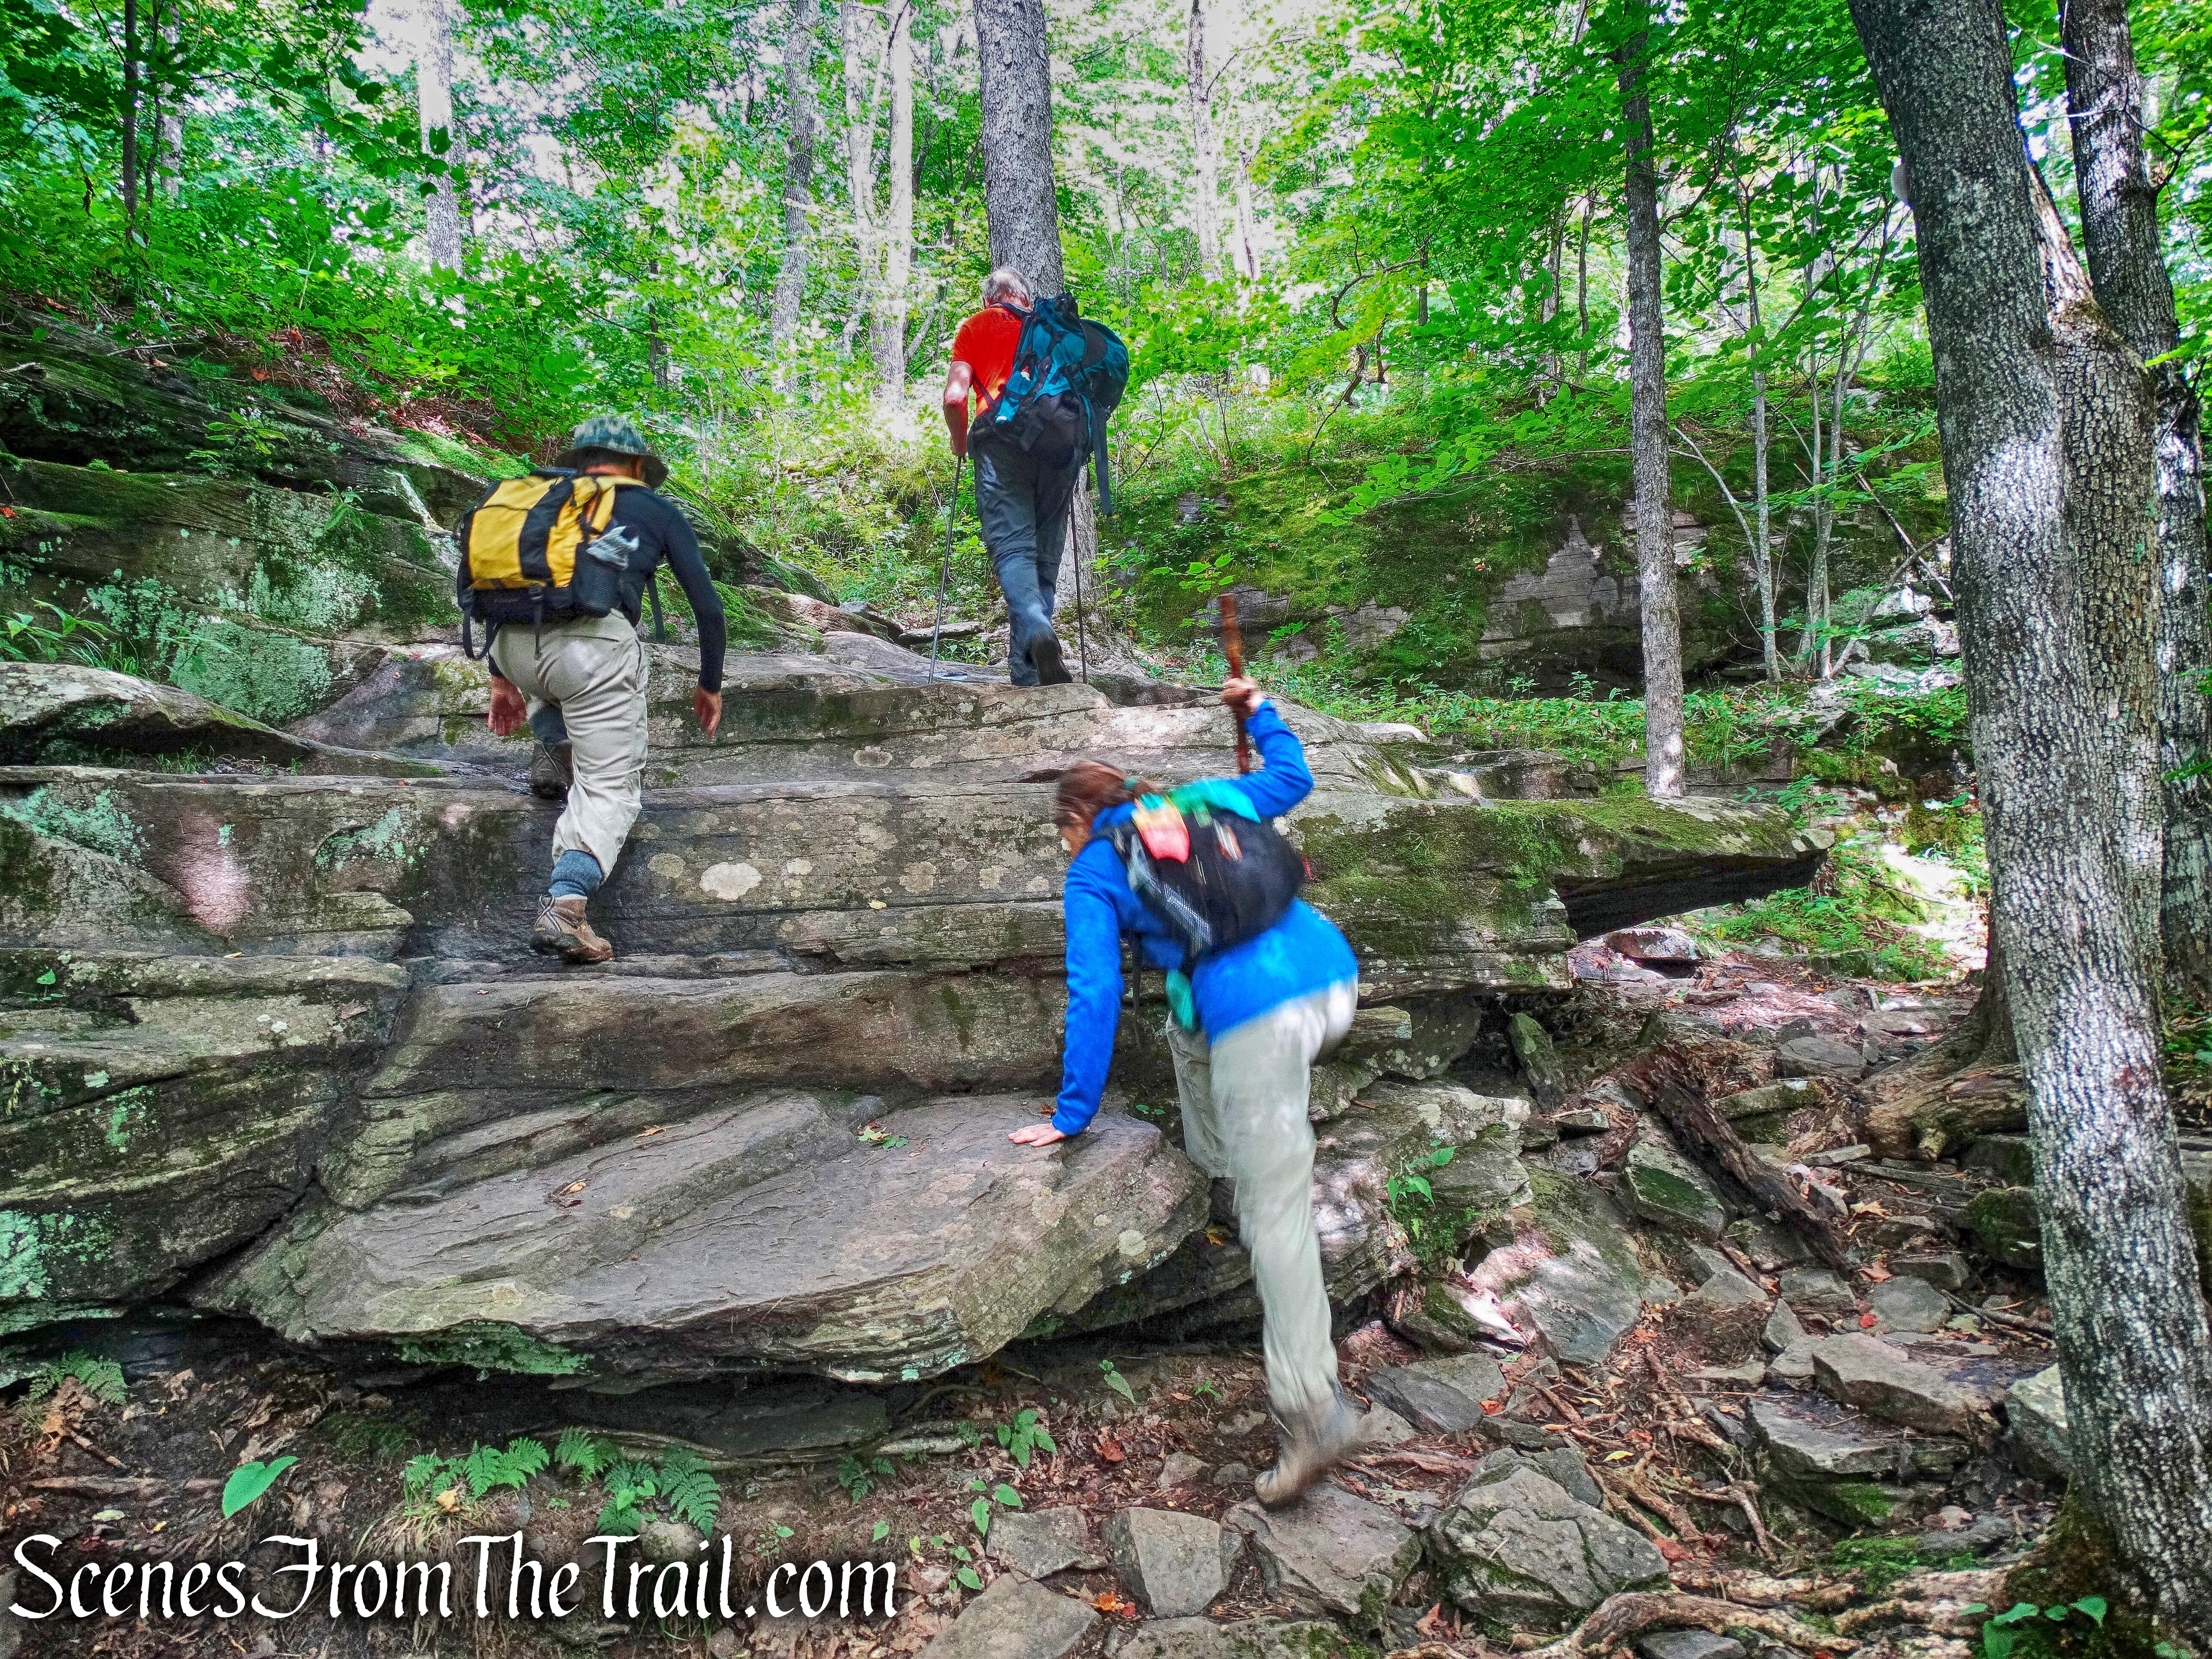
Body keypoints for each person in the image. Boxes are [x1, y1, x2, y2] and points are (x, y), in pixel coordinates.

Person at [1011, 678, 1366, 1507]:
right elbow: (1291, 779)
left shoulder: (1094, 869)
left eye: (1062, 834)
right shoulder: (1196, 801)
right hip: (1329, 976)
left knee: (1277, 1209)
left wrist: (1072, 1117)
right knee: (1186, 1030)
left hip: (1261, 1015)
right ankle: (1220, 1166)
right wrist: (1258, 711)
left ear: (1074, 821)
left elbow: (1094, 994)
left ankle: (1314, 1411)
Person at [482, 414, 726, 963]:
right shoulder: (655, 509)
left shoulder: (538, 498)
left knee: (556, 674)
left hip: (514, 646)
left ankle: (554, 749)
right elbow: (708, 609)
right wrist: (709, 685)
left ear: (579, 461)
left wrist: (501, 679)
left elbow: (488, 584)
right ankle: (566, 905)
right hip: (594, 650)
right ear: (639, 466)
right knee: (611, 791)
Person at [941, 267, 1077, 688]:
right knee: (1044, 559)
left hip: (1001, 442)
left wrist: (960, 441)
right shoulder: (1053, 330)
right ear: (1026, 299)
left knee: (1014, 550)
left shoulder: (976, 326)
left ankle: (1037, 630)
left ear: (990, 299)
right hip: (1059, 448)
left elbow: (954, 397)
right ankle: (1028, 673)